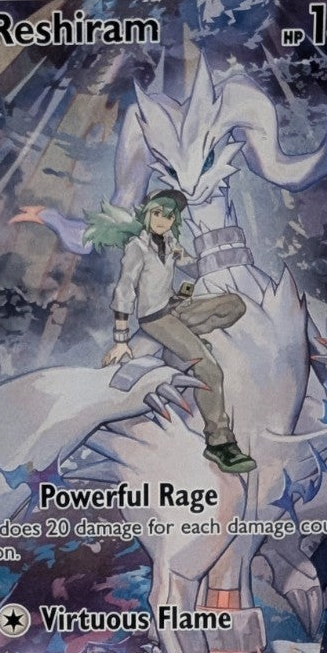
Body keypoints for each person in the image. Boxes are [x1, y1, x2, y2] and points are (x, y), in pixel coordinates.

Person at [91, 189, 256, 475]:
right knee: (210, 370)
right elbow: (124, 290)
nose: (162, 221)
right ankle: (219, 442)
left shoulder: (169, 242)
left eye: (168, 216)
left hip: (175, 307)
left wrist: (198, 259)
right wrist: (120, 340)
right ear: (147, 214)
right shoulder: (137, 247)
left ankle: (182, 345)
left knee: (234, 305)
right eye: (157, 214)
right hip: (155, 318)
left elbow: (193, 269)